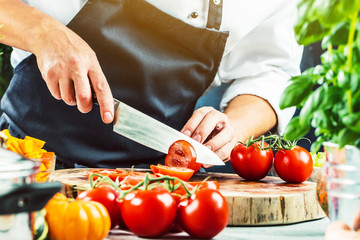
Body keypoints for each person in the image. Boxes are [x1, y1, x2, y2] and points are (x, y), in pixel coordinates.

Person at [0, 0, 303, 170]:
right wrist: (43, 32)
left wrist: (233, 127)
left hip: (155, 180)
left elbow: (271, 69)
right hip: (28, 159)